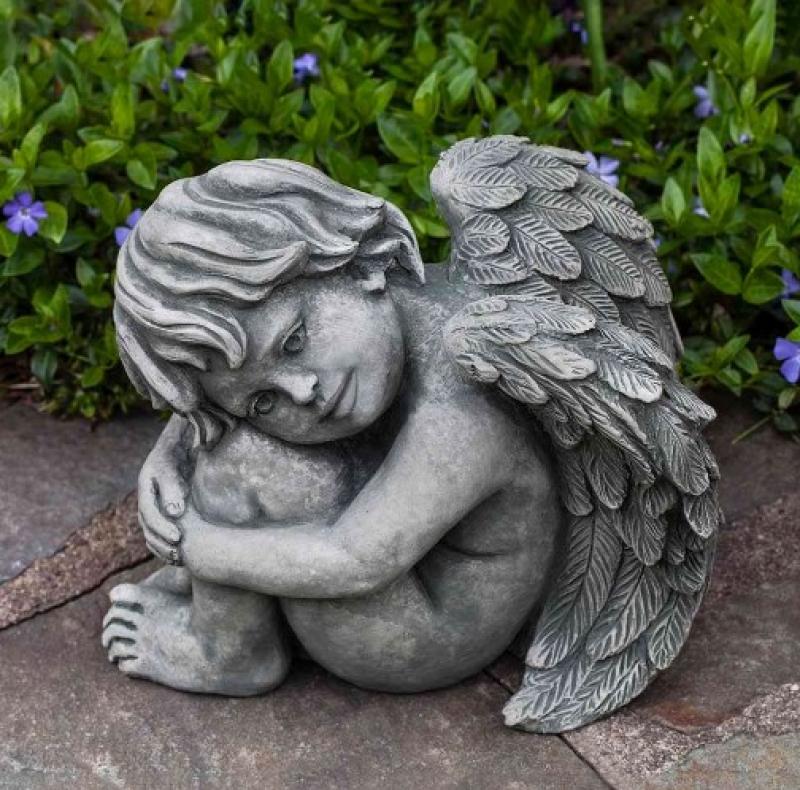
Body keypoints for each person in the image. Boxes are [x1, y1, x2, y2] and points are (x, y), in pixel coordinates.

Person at [102, 158, 562, 696]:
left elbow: (356, 561)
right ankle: (241, 589)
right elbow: (215, 412)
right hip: (401, 550)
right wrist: (172, 452)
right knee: (231, 434)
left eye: (294, 341)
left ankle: (227, 653)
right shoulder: (388, 321)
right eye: (264, 401)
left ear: (354, 261)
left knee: (241, 459)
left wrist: (194, 545)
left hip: (424, 635)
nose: (302, 393)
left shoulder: (463, 406)